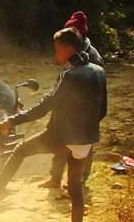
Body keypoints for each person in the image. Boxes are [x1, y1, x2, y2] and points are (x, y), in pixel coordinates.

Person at [0, 26, 107, 222]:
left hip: (60, 136)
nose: (55, 54)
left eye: (57, 49)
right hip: (86, 140)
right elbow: (102, 110)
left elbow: (45, 107)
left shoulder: (69, 75)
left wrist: (12, 121)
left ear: (67, 49)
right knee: (76, 188)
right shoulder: (99, 71)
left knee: (21, 151)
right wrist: (85, 130)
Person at [39, 11, 104, 193]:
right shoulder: (68, 49)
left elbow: (97, 87)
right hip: (65, 104)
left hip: (83, 111)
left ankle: (79, 181)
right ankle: (55, 177)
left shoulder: (93, 56)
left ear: (82, 33)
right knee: (60, 140)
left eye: (74, 29)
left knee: (84, 145)